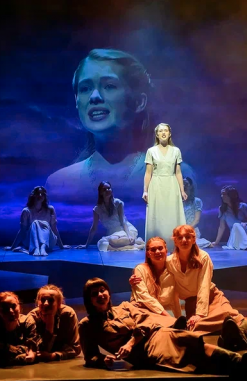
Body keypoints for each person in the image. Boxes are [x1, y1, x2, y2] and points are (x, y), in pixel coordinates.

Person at [47, 49, 197, 203]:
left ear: (139, 102)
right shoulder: (59, 182)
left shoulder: (176, 175)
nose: (94, 97)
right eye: (85, 88)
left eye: (109, 86)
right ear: (76, 101)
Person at [78, 278, 247, 376]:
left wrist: (130, 342)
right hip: (143, 353)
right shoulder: (87, 325)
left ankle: (241, 362)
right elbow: (90, 356)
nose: (101, 295)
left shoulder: (124, 307)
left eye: (103, 290)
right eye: (95, 294)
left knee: (193, 341)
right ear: (89, 299)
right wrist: (105, 361)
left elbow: (147, 322)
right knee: (189, 358)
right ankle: (239, 367)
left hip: (156, 335)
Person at [163, 225, 245, 335]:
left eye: (188, 237)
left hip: (212, 297)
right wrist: (178, 317)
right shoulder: (169, 262)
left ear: (193, 239)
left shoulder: (203, 257)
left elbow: (204, 285)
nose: (184, 240)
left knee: (233, 320)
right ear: (175, 241)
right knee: (196, 327)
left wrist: (200, 314)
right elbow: (171, 290)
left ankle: (244, 336)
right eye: (180, 237)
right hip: (192, 303)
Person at [143, 123, 187, 249]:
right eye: (161, 131)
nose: (163, 133)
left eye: (166, 130)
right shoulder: (151, 151)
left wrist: (182, 190)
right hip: (156, 185)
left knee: (172, 214)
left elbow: (178, 172)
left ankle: (174, 247)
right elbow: (148, 173)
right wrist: (145, 191)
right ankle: (156, 246)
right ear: (157, 134)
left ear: (169, 133)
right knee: (157, 216)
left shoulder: (176, 151)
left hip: (172, 184)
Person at [76, 181, 144, 251]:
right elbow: (94, 228)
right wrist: (86, 245)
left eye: (109, 188)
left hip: (124, 230)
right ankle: (136, 244)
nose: (107, 190)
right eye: (104, 189)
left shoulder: (118, 203)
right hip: (113, 234)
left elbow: (123, 221)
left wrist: (129, 235)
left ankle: (133, 241)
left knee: (112, 241)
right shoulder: (97, 209)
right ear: (101, 192)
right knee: (102, 244)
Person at [6, 186, 69, 256]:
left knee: (44, 223)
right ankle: (37, 248)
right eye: (38, 193)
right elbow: (22, 231)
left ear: (45, 196)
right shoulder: (26, 211)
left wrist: (61, 246)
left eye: (42, 194)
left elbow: (54, 229)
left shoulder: (50, 209)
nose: (40, 195)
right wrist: (13, 247)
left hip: (48, 242)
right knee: (35, 223)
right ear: (33, 195)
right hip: (31, 242)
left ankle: (42, 247)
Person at [130, 237, 183, 320]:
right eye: (153, 249)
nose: (157, 252)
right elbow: (144, 296)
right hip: (144, 312)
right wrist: (168, 317)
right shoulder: (140, 269)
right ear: (148, 254)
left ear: (166, 250)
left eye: (160, 248)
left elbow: (175, 299)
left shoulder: (172, 270)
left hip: (165, 315)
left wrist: (178, 318)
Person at [25, 284, 82, 362]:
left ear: (59, 304)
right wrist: (49, 327)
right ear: (38, 302)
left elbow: (75, 348)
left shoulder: (67, 314)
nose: (46, 303)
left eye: (50, 300)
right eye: (43, 300)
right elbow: (35, 349)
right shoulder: (32, 317)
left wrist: (54, 355)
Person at [211, 185, 247, 251]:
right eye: (221, 194)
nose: (222, 196)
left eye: (224, 194)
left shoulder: (242, 206)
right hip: (234, 235)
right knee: (236, 225)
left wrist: (245, 224)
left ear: (231, 195)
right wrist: (216, 242)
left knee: (237, 224)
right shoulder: (222, 209)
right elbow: (222, 227)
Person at [182, 177, 211, 248]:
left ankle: (203, 242)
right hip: (181, 230)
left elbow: (196, 220)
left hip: (191, 230)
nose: (184, 186)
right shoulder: (180, 202)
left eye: (186, 184)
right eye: (183, 184)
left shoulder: (196, 201)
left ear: (191, 186)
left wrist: (186, 229)